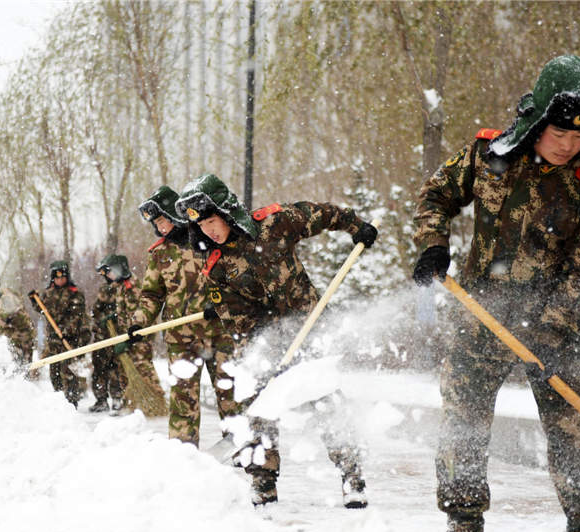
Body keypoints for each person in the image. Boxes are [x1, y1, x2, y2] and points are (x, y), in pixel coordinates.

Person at [410, 55, 580, 532]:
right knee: (463, 420)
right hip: (479, 314)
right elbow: (436, 195)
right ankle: (463, 525)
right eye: (560, 132)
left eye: (579, 137)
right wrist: (432, 243)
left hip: (556, 326)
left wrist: (547, 335)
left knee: (577, 428)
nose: (570, 145)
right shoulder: (488, 156)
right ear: (539, 119)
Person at [175, 173, 378, 507]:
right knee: (259, 409)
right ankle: (263, 483)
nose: (208, 231)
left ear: (226, 212)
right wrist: (262, 356)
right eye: (202, 226)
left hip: (309, 327)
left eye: (212, 221)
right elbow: (238, 320)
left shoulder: (275, 223)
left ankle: (352, 476)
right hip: (265, 340)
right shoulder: (216, 266)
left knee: (328, 402)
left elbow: (320, 214)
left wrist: (355, 226)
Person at [129, 185, 240, 445]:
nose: (162, 227)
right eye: (157, 223)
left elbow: (236, 278)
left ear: (174, 214)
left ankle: (240, 445)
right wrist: (138, 322)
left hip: (220, 332)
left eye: (164, 219)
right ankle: (182, 451)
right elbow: (151, 295)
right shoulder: (160, 254)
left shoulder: (210, 240)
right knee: (183, 401)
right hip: (182, 339)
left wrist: (224, 303)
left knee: (230, 393)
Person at [91, 254, 165, 413]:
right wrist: (114, 318)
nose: (109, 277)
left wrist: (128, 341)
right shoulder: (121, 287)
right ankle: (132, 405)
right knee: (124, 373)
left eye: (110, 272)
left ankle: (157, 403)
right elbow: (125, 313)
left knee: (143, 369)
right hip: (127, 337)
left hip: (140, 339)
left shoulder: (133, 287)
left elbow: (138, 317)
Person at [29, 261, 90, 407]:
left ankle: (72, 401)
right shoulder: (48, 293)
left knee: (68, 371)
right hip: (54, 340)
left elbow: (77, 316)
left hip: (70, 339)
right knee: (54, 371)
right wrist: (34, 300)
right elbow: (43, 310)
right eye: (57, 278)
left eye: (62, 277)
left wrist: (65, 331)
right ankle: (60, 401)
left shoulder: (75, 293)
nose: (59, 280)